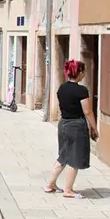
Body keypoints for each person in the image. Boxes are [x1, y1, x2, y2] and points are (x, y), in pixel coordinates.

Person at [45, 60, 99, 199]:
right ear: (79, 72)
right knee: (74, 158)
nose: (84, 74)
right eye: (83, 71)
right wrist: (94, 128)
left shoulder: (61, 88)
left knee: (63, 155)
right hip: (76, 125)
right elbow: (87, 111)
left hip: (63, 124)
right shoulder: (81, 90)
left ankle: (50, 184)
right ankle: (68, 190)